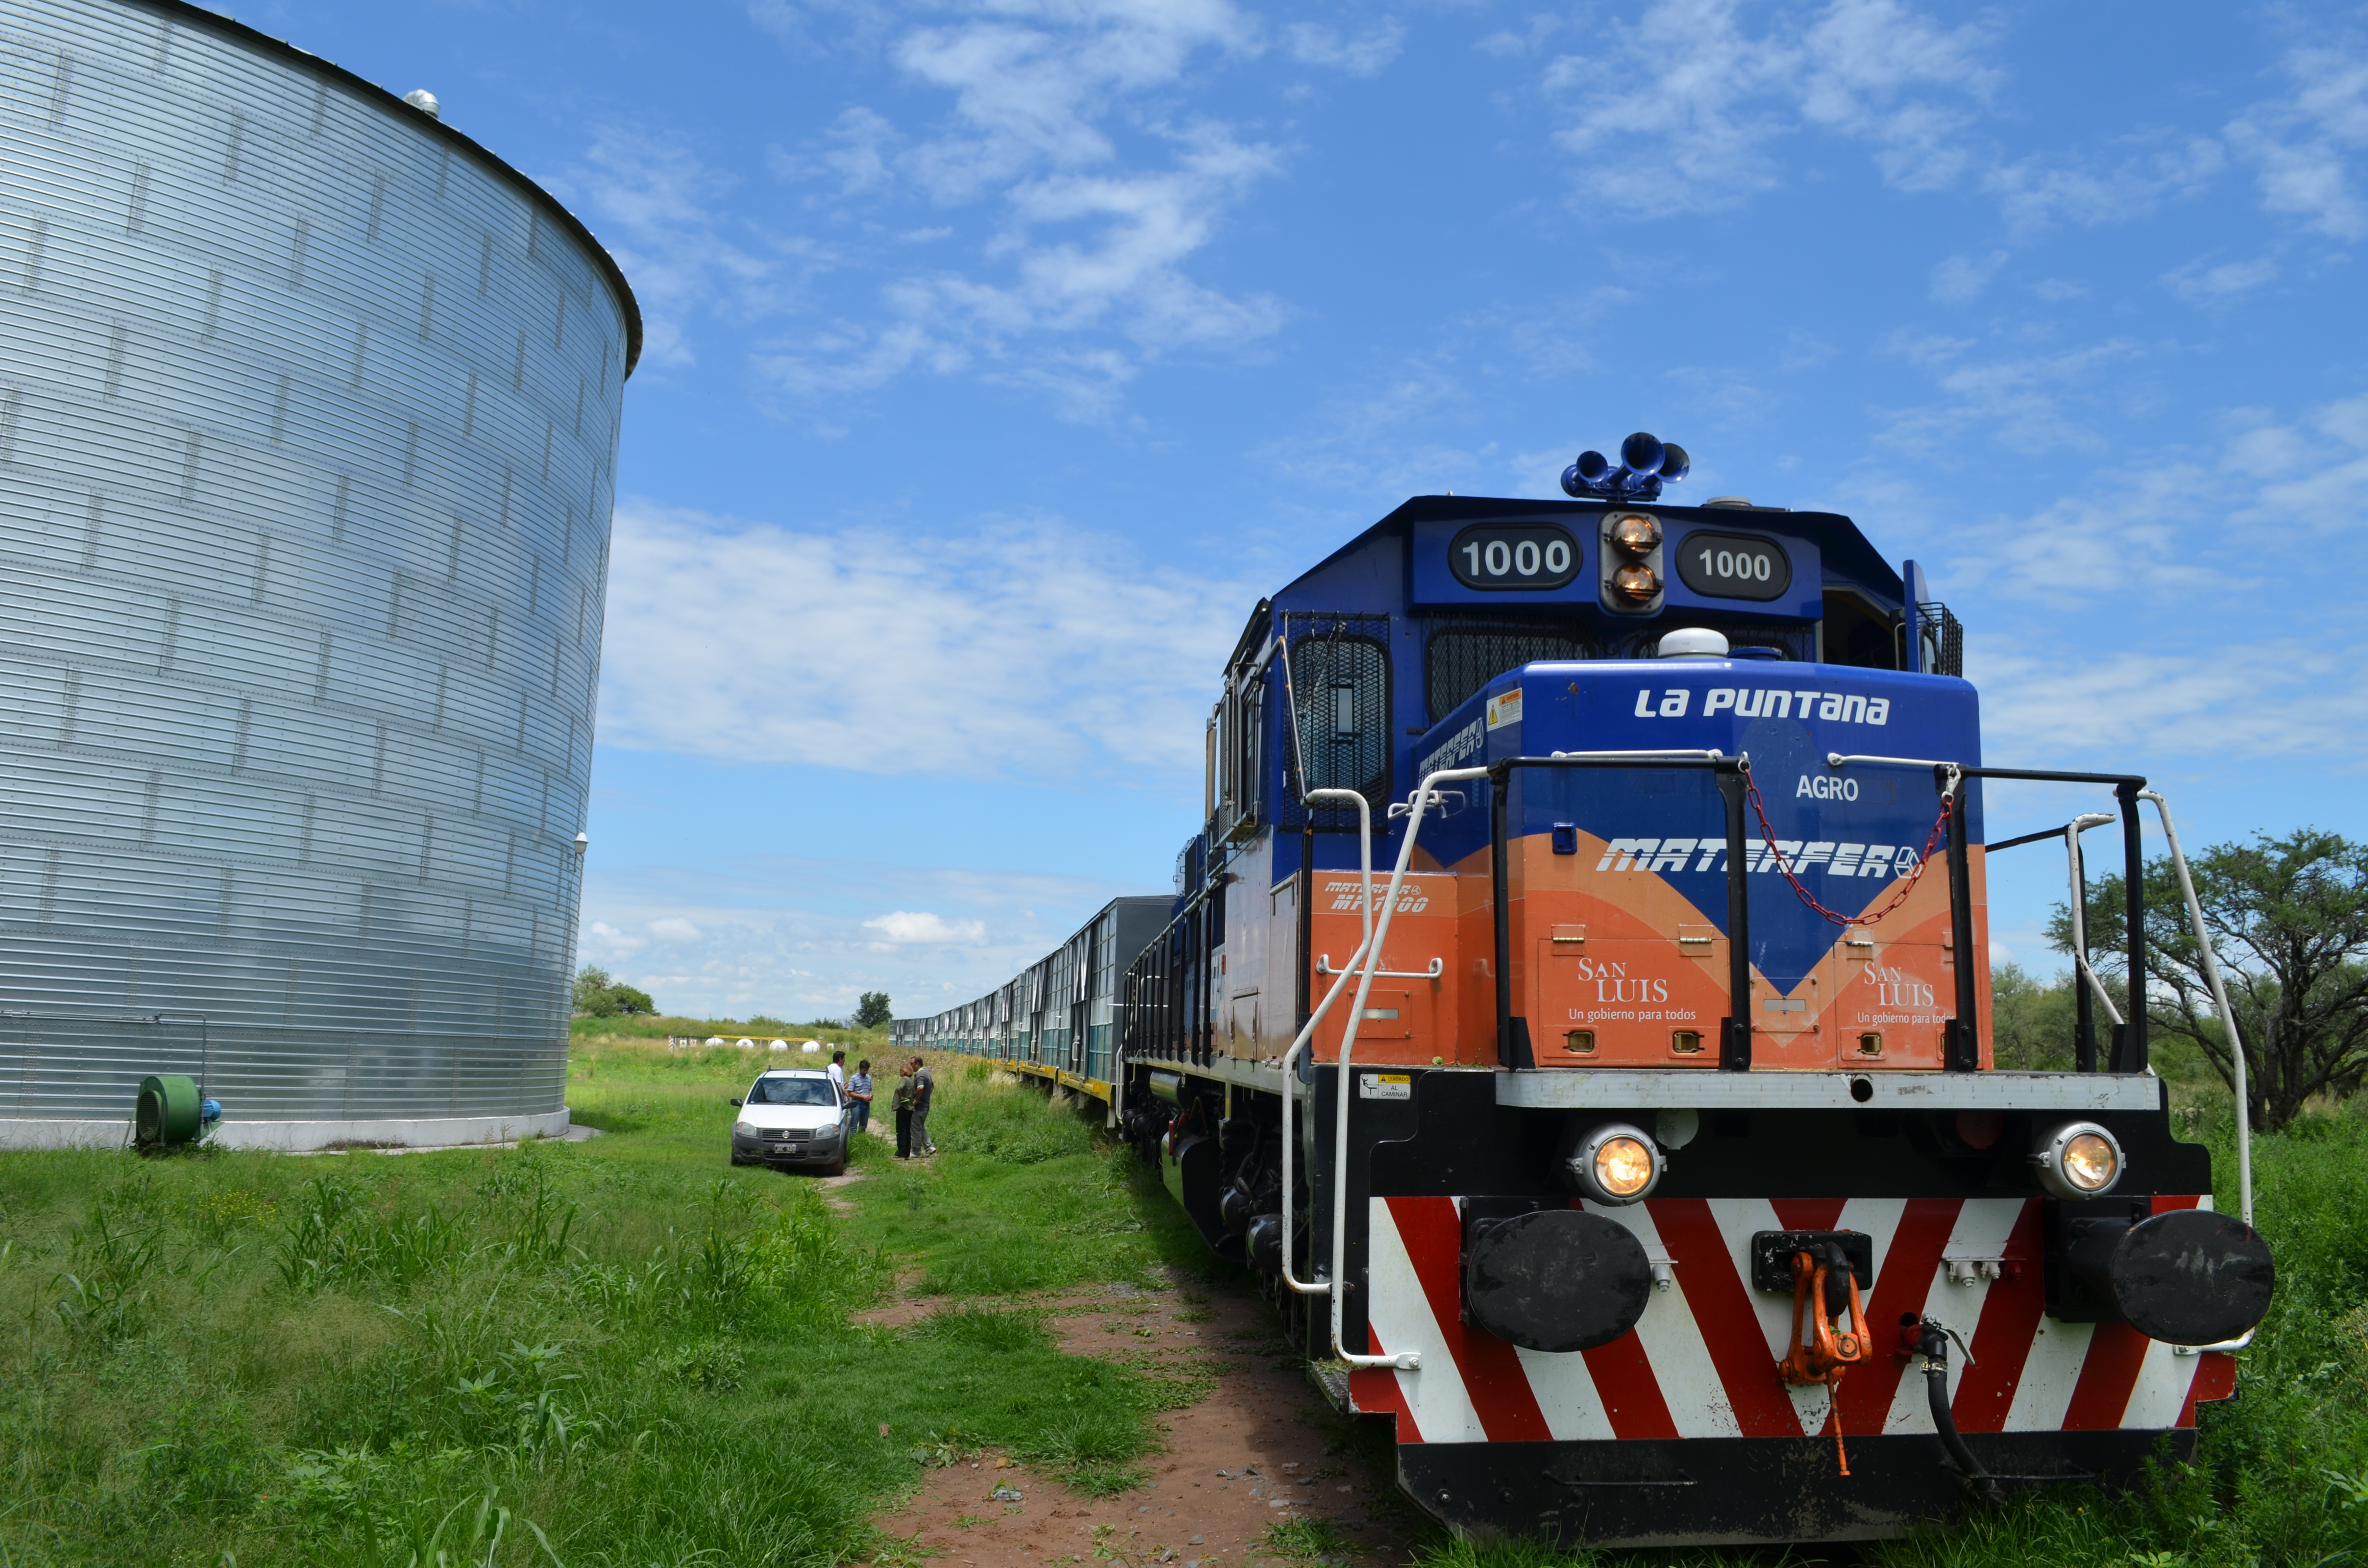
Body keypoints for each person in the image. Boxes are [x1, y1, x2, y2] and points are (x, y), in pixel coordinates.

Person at [910, 1055, 937, 1156]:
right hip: (926, 1106)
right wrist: (926, 1096)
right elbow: (932, 1086)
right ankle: (929, 1147)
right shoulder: (927, 1073)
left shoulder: (920, 1075)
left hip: (919, 1107)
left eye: (912, 1064)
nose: (911, 1066)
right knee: (920, 1127)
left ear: (917, 1064)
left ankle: (916, 1151)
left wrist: (917, 1100)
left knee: (915, 1129)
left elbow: (920, 1088)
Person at [892, 1062, 916, 1159]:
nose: (900, 1072)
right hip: (910, 1108)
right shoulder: (911, 1081)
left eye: (901, 1070)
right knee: (907, 1130)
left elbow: (899, 1088)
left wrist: (901, 1097)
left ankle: (900, 1152)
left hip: (903, 1107)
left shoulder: (904, 1080)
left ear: (905, 1071)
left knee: (901, 1130)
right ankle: (906, 1152)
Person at [848, 1059, 874, 1136]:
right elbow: (850, 1093)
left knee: (863, 1126)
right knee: (854, 1126)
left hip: (866, 1104)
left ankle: (861, 1140)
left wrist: (871, 1095)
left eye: (867, 1070)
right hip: (857, 1104)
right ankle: (853, 1141)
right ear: (860, 1068)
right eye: (864, 1070)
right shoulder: (854, 1078)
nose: (865, 1072)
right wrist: (862, 1096)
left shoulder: (868, 1078)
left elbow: (870, 1089)